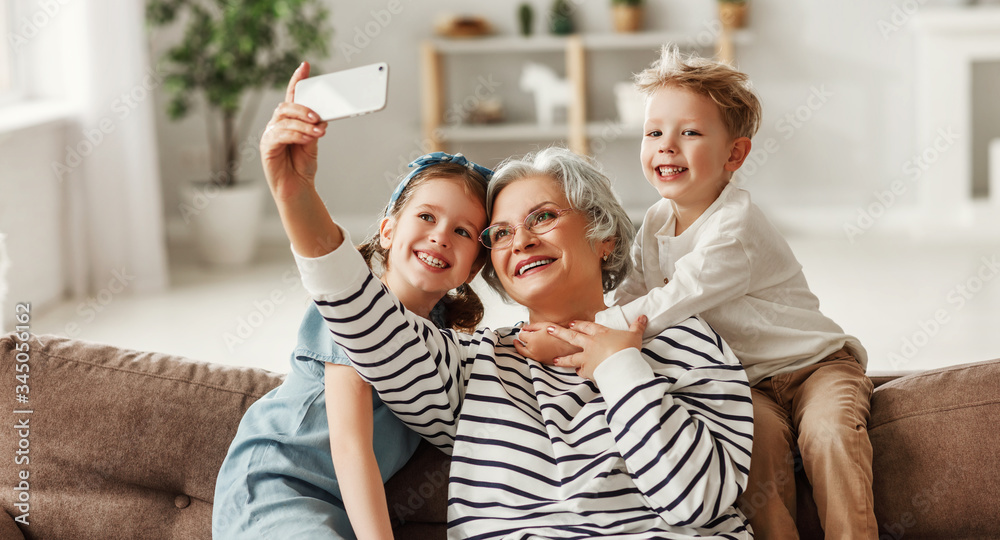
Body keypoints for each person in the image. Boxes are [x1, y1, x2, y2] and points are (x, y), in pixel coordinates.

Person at [275, 139, 755, 538]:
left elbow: (698, 500)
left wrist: (620, 368)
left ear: (603, 235)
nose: (520, 241)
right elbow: (362, 314)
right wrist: (295, 195)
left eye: (543, 217)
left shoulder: (684, 338)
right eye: (500, 233)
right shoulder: (472, 365)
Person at [522, 46, 876, 539]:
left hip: (814, 365)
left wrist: (574, 336)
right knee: (753, 453)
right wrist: (585, 318)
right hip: (746, 380)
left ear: (734, 154)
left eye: (689, 133)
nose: (667, 146)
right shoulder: (655, 221)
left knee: (828, 435)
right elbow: (635, 294)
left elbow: (670, 302)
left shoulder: (736, 227)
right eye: (654, 133)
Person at [212, 62, 493, 539]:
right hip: (276, 486)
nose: (440, 236)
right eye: (426, 216)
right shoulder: (355, 306)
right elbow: (348, 444)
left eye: (462, 231)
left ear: (474, 267)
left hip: (329, 509)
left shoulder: (445, 344)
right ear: (388, 230)